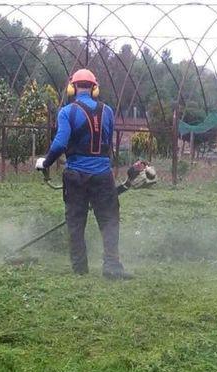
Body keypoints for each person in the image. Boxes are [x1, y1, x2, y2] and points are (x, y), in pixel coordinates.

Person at [35, 69, 132, 280]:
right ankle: (112, 266)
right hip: (103, 176)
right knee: (109, 220)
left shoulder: (67, 112)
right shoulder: (107, 111)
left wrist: (46, 162)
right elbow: (106, 143)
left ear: (73, 87)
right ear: (94, 88)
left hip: (76, 176)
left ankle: (80, 269)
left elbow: (60, 143)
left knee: (76, 222)